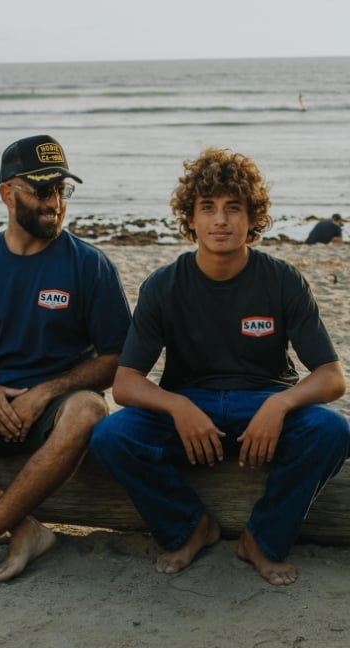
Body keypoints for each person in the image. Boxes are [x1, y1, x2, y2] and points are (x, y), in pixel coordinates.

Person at [90, 147, 350, 586]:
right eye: (207, 208)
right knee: (110, 437)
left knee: (333, 431)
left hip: (265, 402)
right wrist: (177, 407)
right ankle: (191, 527)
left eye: (234, 208)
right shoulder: (162, 286)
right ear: (190, 218)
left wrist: (279, 405)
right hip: (191, 407)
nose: (221, 220)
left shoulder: (283, 280)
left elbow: (331, 376)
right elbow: (126, 384)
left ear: (254, 218)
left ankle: (261, 541)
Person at [0, 134, 131, 590]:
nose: (54, 201)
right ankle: (25, 528)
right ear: (7, 193)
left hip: (56, 412)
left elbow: (119, 360)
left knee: (90, 409)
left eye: (61, 189)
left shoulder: (90, 266)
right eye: (41, 189)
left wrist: (47, 391)